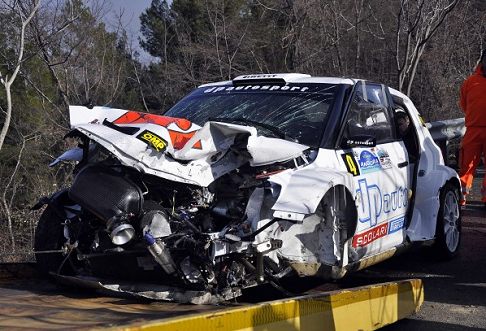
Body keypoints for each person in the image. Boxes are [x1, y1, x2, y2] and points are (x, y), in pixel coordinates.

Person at [459, 50, 486, 207]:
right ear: (482, 61)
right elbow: (464, 104)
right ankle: (461, 197)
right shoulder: (470, 82)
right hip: (473, 129)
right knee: (467, 165)